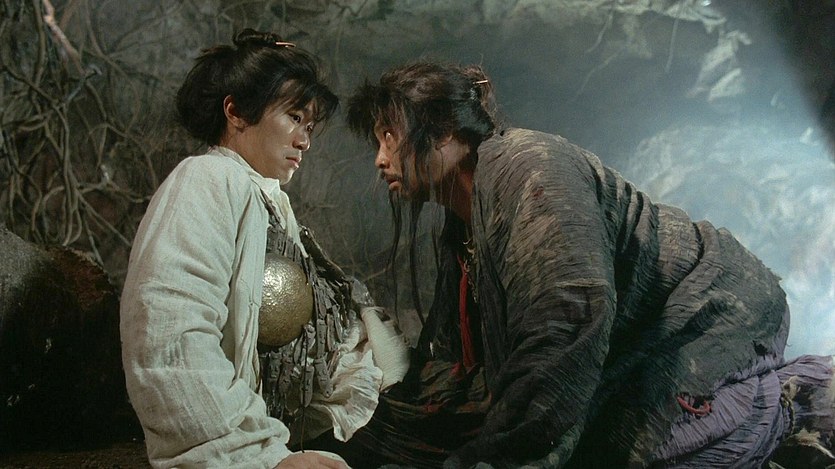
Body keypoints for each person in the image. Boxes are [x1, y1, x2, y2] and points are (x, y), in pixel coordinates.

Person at [342, 61, 835, 468]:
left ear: (444, 130)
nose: (380, 159)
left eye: (389, 135)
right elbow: (469, 360)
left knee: (634, 448)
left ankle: (794, 401)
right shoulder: (463, 224)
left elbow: (568, 312)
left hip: (710, 306)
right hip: (632, 337)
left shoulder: (530, 166)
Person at [120, 29, 407, 469]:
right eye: (293, 117)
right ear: (235, 112)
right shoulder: (206, 180)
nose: (305, 140)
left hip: (347, 413)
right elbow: (168, 335)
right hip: (255, 442)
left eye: (309, 127)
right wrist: (262, 457)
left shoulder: (267, 199)